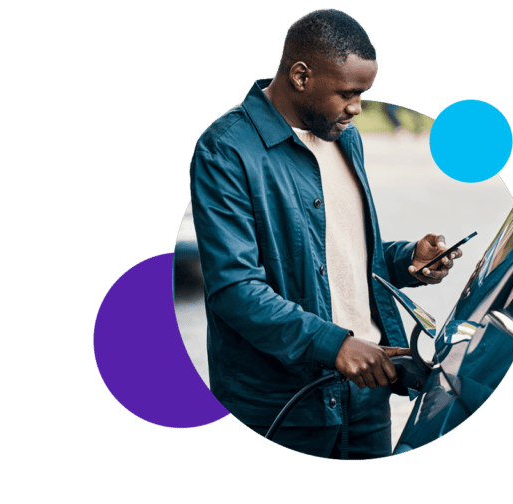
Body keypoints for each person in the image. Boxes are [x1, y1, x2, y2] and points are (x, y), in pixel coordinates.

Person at [189, 9, 460, 460]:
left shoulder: (344, 137)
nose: (358, 108)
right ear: (300, 75)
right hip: (281, 410)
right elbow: (234, 289)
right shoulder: (225, 149)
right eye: (348, 93)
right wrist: (333, 344)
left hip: (366, 396)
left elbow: (342, 253)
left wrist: (409, 258)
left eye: (364, 94)